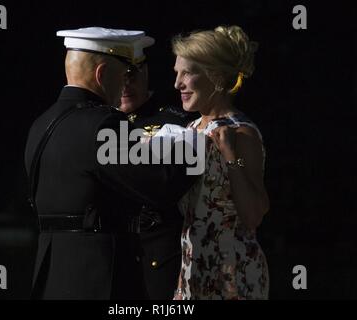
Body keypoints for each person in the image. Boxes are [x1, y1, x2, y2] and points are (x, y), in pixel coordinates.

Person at [24, 27, 195, 300]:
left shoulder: (42, 124)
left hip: (52, 277)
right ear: (102, 75)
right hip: (99, 279)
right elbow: (163, 185)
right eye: (124, 74)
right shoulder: (103, 125)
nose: (126, 84)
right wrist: (191, 143)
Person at [169, 25, 270, 300]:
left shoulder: (241, 132)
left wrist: (229, 156)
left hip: (233, 275)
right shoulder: (189, 129)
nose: (177, 83)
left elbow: (253, 215)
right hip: (192, 269)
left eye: (187, 73)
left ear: (215, 77)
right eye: (177, 73)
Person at [119, 56, 197, 299]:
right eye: (119, 77)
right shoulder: (97, 122)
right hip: (109, 254)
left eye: (132, 76)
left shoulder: (176, 121)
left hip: (159, 255)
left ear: (146, 71)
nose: (125, 86)